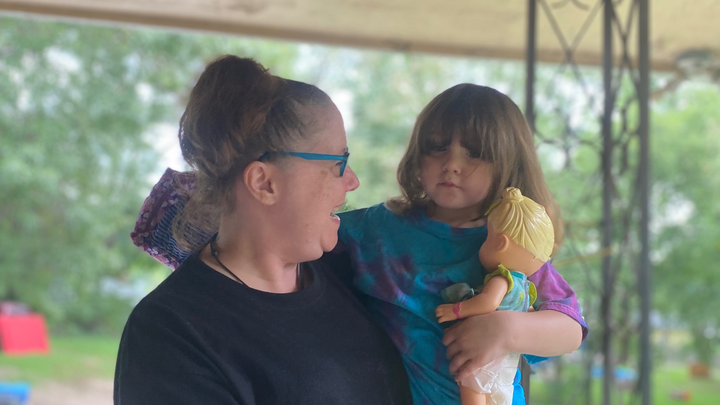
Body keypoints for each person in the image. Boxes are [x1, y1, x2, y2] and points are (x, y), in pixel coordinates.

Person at [133, 83, 588, 405]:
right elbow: (267, 231)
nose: (452, 164)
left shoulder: (510, 247)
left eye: (476, 153)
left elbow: (570, 325)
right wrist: (206, 198)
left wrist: (507, 330)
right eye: (436, 148)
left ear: (508, 164)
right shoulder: (379, 231)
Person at [114, 55, 413, 405]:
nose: (352, 181)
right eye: (338, 163)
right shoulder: (169, 334)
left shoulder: (345, 269)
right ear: (264, 182)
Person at [435, 187, 555, 405]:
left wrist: (456, 310)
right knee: (499, 396)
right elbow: (530, 316)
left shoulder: (502, 279)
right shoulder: (526, 290)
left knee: (472, 391)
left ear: (500, 243)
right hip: (506, 361)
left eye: (488, 237)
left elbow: (488, 302)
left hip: (483, 354)